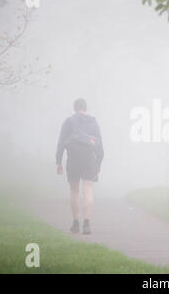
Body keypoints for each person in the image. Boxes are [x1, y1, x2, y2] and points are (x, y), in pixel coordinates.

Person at [56, 98, 104, 235]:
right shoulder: (93, 122)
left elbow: (61, 143)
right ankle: (87, 224)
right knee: (88, 190)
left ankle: (76, 223)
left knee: (74, 191)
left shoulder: (69, 122)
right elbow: (100, 144)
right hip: (89, 159)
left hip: (73, 159)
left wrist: (58, 162)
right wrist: (99, 162)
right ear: (86, 108)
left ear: (74, 108)